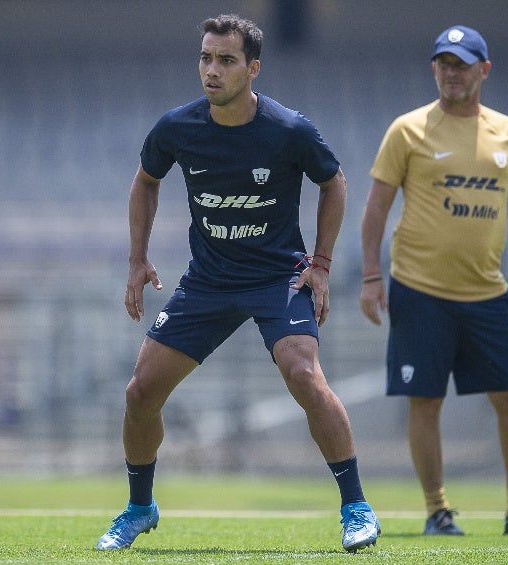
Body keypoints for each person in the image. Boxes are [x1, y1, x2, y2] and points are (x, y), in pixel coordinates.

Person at [95, 14, 380, 552]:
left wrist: (320, 265)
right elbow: (146, 181)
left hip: (276, 278)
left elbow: (334, 182)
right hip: (208, 282)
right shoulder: (176, 128)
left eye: (225, 60)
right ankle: (139, 507)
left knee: (303, 373)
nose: (211, 70)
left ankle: (356, 506)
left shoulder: (289, 129)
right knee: (139, 394)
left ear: (253, 68)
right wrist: (138, 259)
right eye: (205, 58)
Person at [359, 25, 508, 537]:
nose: (452, 72)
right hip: (419, 291)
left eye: (462, 64)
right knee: (425, 401)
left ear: (483, 70)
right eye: (444, 63)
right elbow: (375, 208)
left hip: (486, 294)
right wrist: (371, 277)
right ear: (434, 69)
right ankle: (437, 510)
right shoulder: (407, 130)